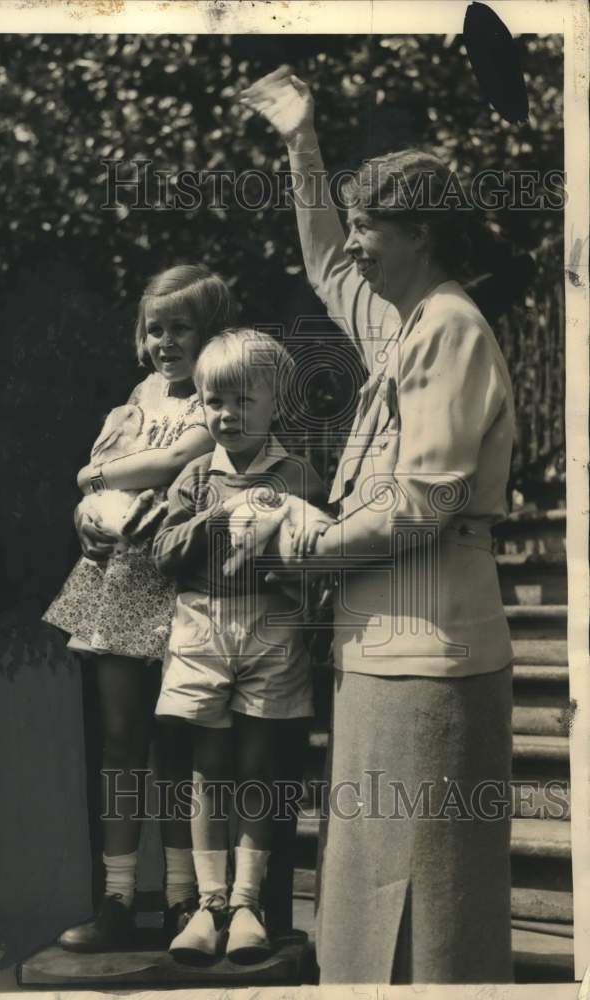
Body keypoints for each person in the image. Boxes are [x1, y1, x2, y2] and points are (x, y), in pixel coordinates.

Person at [241, 68, 516, 983]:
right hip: (381, 647)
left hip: (428, 654)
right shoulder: (404, 322)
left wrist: (300, 539)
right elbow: (322, 262)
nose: (353, 244)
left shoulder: (447, 327)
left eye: (369, 226)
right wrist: (299, 142)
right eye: (354, 222)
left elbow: (426, 504)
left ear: (419, 233)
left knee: (427, 914)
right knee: (369, 894)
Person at [44, 264, 235, 951]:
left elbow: (176, 460)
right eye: (154, 329)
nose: (164, 342)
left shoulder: (215, 396)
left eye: (180, 328)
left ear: (210, 333)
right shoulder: (137, 397)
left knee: (180, 739)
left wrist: (90, 474)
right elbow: (106, 497)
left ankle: (187, 899)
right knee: (121, 738)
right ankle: (119, 896)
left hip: (186, 584)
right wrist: (85, 511)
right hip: (122, 583)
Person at [152, 329, 328, 963]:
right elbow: (163, 552)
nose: (226, 415)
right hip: (201, 627)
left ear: (274, 403)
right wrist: (218, 517)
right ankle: (209, 904)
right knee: (208, 766)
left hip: (271, 630)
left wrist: (292, 565)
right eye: (213, 402)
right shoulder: (197, 475)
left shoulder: (299, 473)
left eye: (243, 402)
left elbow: (319, 556)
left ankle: (250, 903)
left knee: (260, 763)